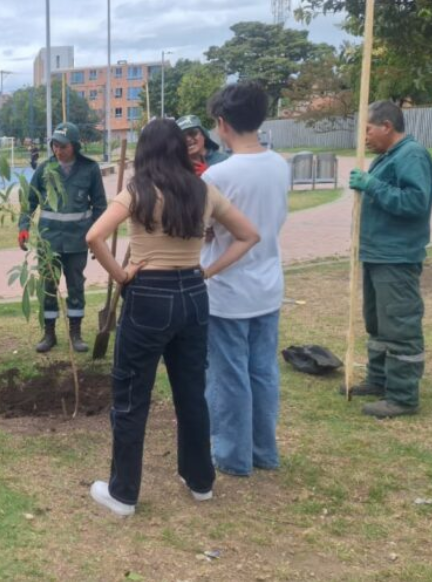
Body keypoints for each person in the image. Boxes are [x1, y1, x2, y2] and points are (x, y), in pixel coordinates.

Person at [85, 118, 261, 516]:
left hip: (148, 295)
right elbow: (250, 235)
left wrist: (122, 275)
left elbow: (94, 236)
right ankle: (200, 481)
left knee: (131, 397)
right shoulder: (203, 189)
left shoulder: (137, 191)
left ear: (145, 152)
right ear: (181, 150)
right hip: (194, 296)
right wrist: (207, 271)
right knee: (191, 392)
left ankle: (124, 493)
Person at [198, 82, 291, 477]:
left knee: (227, 376)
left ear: (222, 124)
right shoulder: (280, 165)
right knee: (263, 371)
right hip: (268, 287)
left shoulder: (218, 175)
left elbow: (203, 231)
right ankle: (263, 450)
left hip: (227, 292)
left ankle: (233, 456)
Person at [345, 101, 432, 418]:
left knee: (399, 324)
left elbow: (415, 201)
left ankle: (402, 396)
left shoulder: (411, 155)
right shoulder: (388, 157)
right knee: (377, 322)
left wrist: (373, 186)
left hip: (396, 257)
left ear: (386, 125)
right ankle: (380, 380)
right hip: (376, 254)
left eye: (367, 130)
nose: (365, 137)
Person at [19, 122, 108, 353]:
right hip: (49, 241)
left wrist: (99, 239)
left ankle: (75, 332)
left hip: (78, 241)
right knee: (49, 285)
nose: (58, 150)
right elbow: (30, 201)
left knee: (76, 285)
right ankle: (49, 333)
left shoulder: (90, 169)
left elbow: (100, 207)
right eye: (54, 145)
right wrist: (24, 227)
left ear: (75, 146)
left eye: (63, 146)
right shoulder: (44, 169)